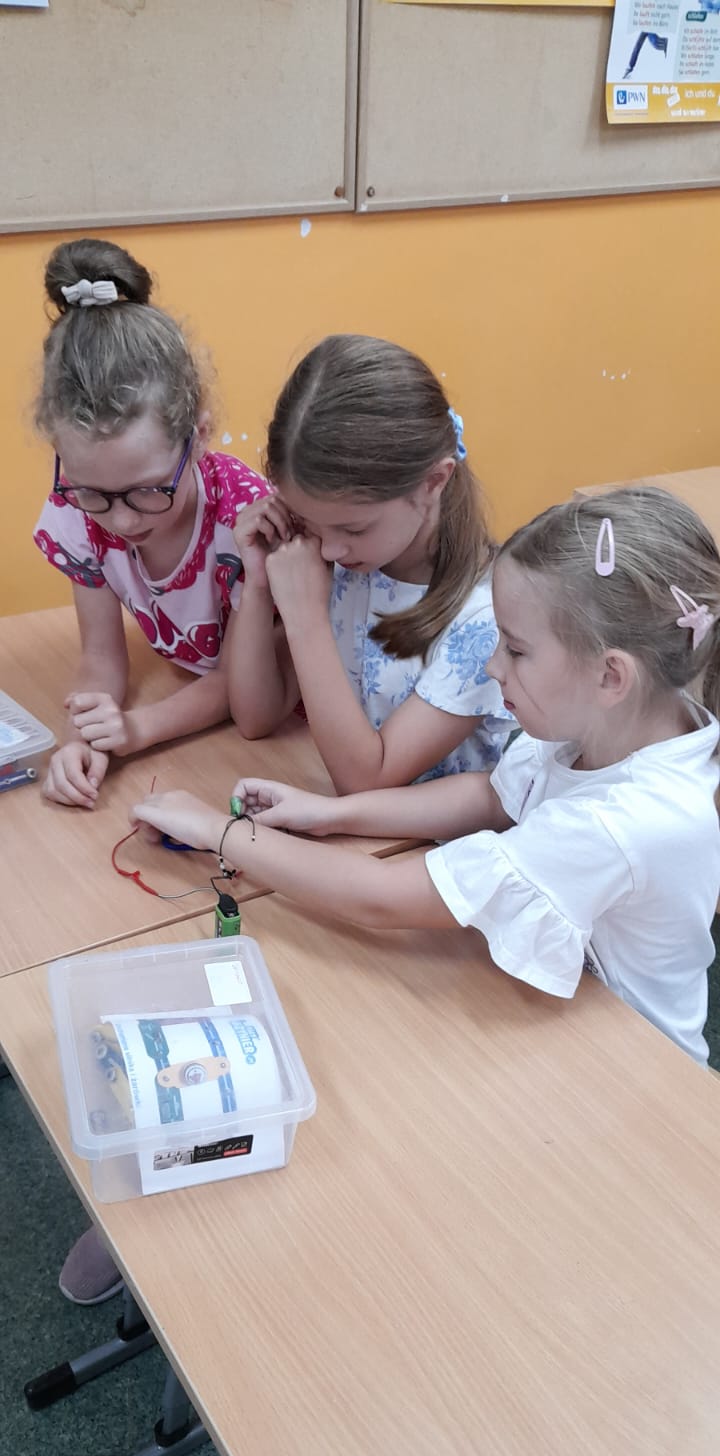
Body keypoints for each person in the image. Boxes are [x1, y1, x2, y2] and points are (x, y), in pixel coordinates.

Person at [134, 487, 720, 1068]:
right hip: (564, 1016)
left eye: (516, 650)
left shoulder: (619, 823)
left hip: (634, 1065)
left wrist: (217, 831)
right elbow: (492, 796)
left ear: (611, 676)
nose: (494, 666)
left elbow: (382, 899)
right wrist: (331, 813)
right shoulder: (619, 722)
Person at [33, 237, 268, 811]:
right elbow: (100, 658)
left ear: (200, 435)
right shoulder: (76, 510)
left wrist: (136, 730)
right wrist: (84, 738)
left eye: (147, 491)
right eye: (94, 492)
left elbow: (241, 685)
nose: (120, 519)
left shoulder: (245, 522)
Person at [227, 335, 514, 792]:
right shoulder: (352, 561)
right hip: (356, 825)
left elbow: (365, 782)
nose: (328, 550)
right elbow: (254, 718)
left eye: (354, 529)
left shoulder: (485, 619)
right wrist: (259, 584)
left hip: (439, 834)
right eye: (309, 522)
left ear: (434, 481)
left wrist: (305, 618)